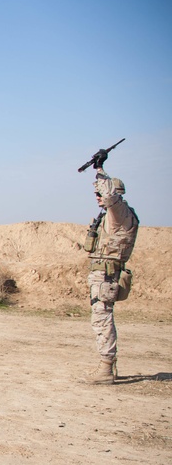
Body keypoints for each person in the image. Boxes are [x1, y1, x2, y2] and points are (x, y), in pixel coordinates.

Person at [81, 156, 139, 384]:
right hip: (102, 274)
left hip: (107, 275)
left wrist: (99, 170)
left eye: (99, 194)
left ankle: (106, 368)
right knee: (101, 318)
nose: (98, 198)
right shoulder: (113, 216)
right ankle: (107, 366)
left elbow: (109, 196)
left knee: (102, 319)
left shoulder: (120, 213)